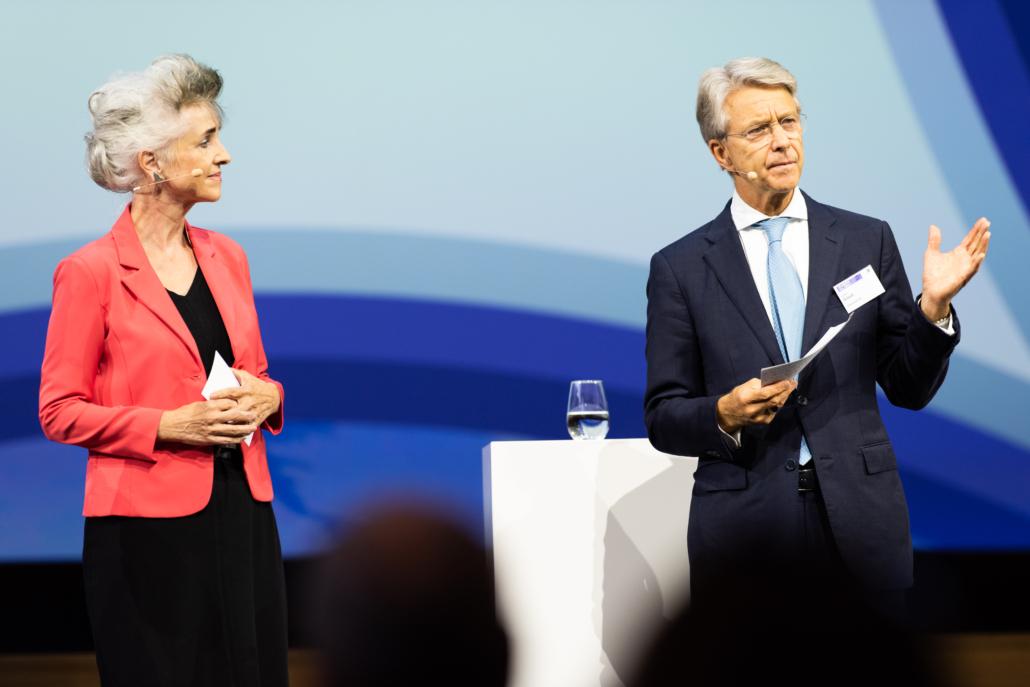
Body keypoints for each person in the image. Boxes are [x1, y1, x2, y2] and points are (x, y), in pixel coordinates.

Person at [644, 57, 990, 616]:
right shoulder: (681, 267)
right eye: (759, 129)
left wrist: (933, 308)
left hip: (859, 522)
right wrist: (725, 413)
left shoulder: (863, 240)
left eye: (790, 121)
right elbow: (663, 415)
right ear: (720, 152)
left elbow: (908, 387)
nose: (782, 141)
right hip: (746, 531)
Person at [39, 54, 288, 686]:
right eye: (205, 141)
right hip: (145, 532)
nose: (223, 155)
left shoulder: (227, 256)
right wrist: (165, 425)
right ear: (151, 162)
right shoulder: (90, 272)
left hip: (243, 511)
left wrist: (270, 399)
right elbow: (59, 410)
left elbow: (253, 374)